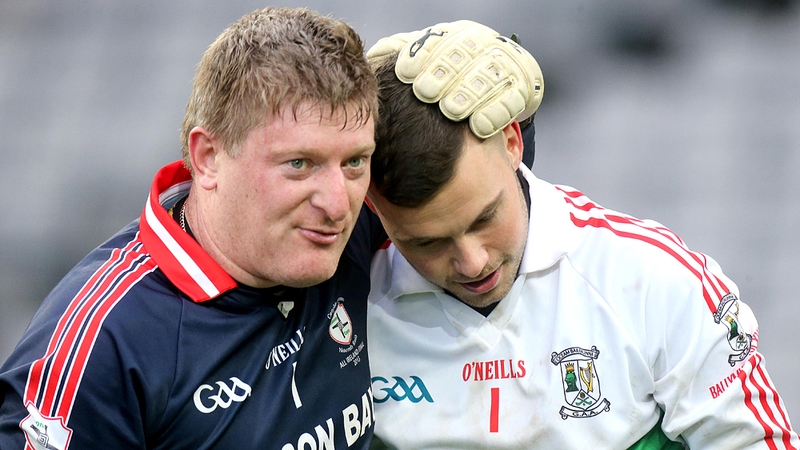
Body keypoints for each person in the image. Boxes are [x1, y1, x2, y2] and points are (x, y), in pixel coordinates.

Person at [364, 21, 799, 449]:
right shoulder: (343, 306)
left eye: (485, 218)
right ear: (372, 207)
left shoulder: (657, 281)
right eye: (427, 242)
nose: (472, 262)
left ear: (513, 141)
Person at [0, 7, 386, 449]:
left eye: (355, 161)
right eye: (299, 164)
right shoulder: (101, 348)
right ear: (208, 158)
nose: (338, 204)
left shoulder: (357, 226)